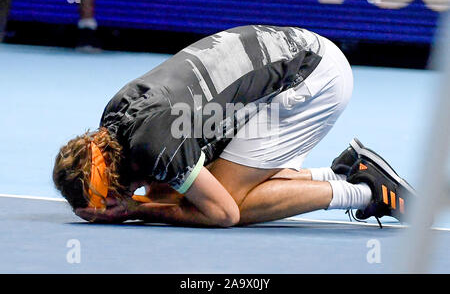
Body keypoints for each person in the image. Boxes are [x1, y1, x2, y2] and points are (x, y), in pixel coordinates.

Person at [53, 25, 415, 227]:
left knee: (228, 204)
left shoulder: (155, 145)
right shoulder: (114, 120)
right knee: (175, 195)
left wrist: (136, 210)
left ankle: (365, 189)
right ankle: (341, 172)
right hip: (302, 54)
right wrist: (151, 202)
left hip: (310, 81)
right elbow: (163, 185)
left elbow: (224, 213)